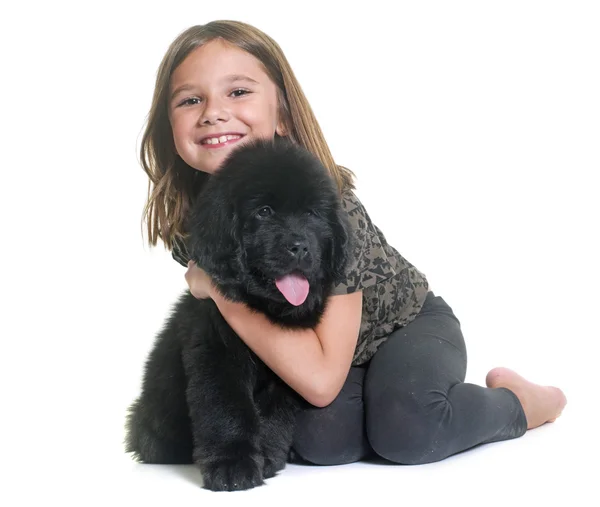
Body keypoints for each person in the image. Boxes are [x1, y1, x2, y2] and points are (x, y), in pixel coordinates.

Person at [139, 20, 567, 466]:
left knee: (409, 430)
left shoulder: (326, 209)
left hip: (405, 328)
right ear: (169, 124)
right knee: (320, 442)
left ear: (282, 114)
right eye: (191, 100)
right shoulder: (195, 222)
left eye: (238, 92)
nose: (213, 112)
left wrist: (217, 290)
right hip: (330, 356)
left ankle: (523, 404)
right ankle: (378, 401)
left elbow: (321, 381)